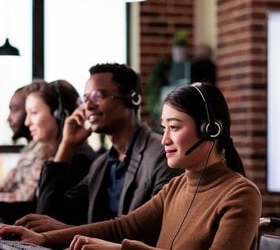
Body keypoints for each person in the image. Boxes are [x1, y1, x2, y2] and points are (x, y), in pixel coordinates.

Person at [0, 82, 262, 249]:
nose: (165, 139)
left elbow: (121, 239)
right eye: (163, 127)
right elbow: (122, 228)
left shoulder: (240, 194)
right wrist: (45, 239)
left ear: (210, 130)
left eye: (175, 127)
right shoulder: (177, 186)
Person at [15, 63, 182, 231]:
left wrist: (73, 233)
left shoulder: (162, 155)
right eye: (85, 99)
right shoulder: (100, 166)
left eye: (97, 96)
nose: (88, 106)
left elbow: (150, 229)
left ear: (133, 98)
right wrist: (66, 145)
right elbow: (47, 216)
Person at [0, 80, 96, 219]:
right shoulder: (49, 152)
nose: (27, 122)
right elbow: (37, 207)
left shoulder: (79, 159)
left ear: (60, 115)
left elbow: (44, 214)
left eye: (34, 113)